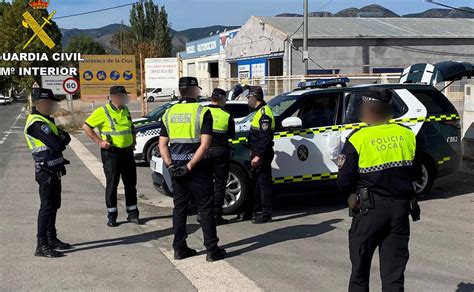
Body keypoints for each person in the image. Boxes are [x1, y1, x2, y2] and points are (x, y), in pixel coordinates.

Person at [336, 87, 422, 292]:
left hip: (369, 210)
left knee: (360, 271)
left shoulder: (359, 138)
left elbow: (344, 180)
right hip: (400, 210)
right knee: (394, 275)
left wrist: (351, 193)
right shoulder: (407, 134)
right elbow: (417, 173)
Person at [159, 77, 226, 262]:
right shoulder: (202, 111)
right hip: (197, 168)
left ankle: (179, 248)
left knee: (179, 208)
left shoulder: (169, 112)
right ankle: (212, 249)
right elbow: (205, 145)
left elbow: (162, 144)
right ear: (195, 91)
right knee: (205, 208)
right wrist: (189, 166)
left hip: (176, 169)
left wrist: (171, 165)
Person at [24, 88, 72, 258]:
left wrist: (59, 138)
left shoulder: (46, 120)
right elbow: (58, 143)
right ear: (42, 104)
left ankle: (51, 238)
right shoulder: (36, 123)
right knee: (47, 208)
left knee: (54, 206)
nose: (53, 106)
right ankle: (41, 244)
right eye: (51, 103)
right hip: (45, 172)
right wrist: (59, 138)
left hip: (55, 170)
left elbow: (66, 137)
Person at [83, 86, 140, 227]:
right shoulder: (102, 111)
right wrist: (99, 142)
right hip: (111, 153)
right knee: (112, 185)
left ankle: (132, 213)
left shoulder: (125, 110)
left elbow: (131, 127)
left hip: (127, 152)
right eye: (122, 96)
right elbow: (86, 126)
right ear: (114, 97)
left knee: (130, 184)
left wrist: (133, 141)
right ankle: (112, 215)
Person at [204, 88, 235, 225]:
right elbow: (231, 135)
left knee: (204, 183)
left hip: (203, 152)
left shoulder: (203, 111)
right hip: (220, 152)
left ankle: (202, 213)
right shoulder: (227, 115)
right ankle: (216, 216)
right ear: (222, 99)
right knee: (220, 184)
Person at [246, 86, 275, 224]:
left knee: (263, 184)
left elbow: (265, 137)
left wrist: (258, 155)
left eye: (248, 98)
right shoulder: (258, 112)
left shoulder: (264, 113)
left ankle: (266, 214)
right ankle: (256, 211)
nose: (247, 101)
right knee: (257, 183)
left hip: (262, 153)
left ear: (254, 97)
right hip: (258, 151)